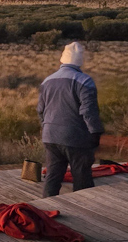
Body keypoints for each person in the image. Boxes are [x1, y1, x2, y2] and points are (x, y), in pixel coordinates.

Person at [38, 42, 104, 197]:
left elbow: (40, 110)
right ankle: (83, 211)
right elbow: (88, 111)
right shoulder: (85, 81)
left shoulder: (47, 81)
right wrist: (95, 132)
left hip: (50, 135)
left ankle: (45, 209)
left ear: (63, 59)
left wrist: (47, 127)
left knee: (52, 176)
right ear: (80, 60)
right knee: (82, 178)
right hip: (76, 137)